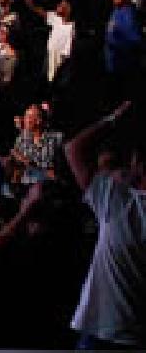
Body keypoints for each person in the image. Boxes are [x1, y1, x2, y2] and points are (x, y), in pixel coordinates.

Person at [66, 102, 145, 349]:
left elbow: (74, 149)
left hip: (104, 332)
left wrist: (115, 116)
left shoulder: (118, 201)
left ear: (137, 163)